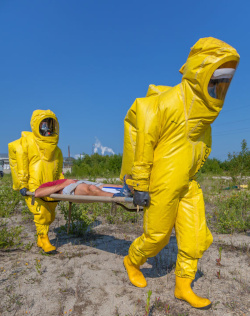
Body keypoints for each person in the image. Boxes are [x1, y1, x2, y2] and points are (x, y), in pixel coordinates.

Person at [120, 37, 240, 309]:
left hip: (187, 183)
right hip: (161, 183)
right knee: (157, 236)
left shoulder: (205, 120)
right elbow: (144, 145)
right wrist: (139, 185)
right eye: (217, 78)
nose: (219, 87)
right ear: (200, 71)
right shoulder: (165, 104)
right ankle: (131, 261)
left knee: (196, 235)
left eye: (225, 81)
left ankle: (183, 286)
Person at [8, 110, 64, 253]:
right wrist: (22, 184)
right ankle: (44, 239)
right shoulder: (27, 144)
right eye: (44, 125)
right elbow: (21, 164)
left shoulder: (57, 151)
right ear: (37, 125)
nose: (47, 129)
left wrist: (62, 185)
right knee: (41, 213)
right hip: (33, 186)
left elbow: (58, 170)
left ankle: (40, 238)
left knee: (50, 215)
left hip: (50, 187)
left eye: (49, 125)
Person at [34, 178, 132, 198]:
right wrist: (63, 185)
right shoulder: (48, 184)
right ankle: (118, 196)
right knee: (92, 188)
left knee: (119, 186)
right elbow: (37, 193)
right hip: (69, 188)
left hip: (79, 182)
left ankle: (133, 191)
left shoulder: (60, 177)